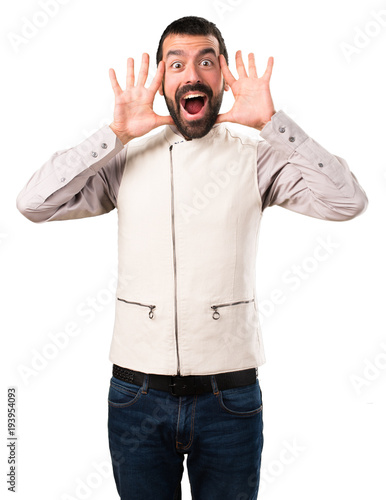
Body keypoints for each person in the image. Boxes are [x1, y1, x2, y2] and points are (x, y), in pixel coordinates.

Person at [16, 15, 368, 500]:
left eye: (207, 61)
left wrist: (273, 124)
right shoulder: (122, 158)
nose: (192, 74)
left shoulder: (257, 157)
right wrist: (114, 133)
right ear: (162, 80)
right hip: (137, 397)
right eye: (176, 63)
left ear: (222, 75)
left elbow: (347, 201)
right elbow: (33, 203)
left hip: (231, 399)